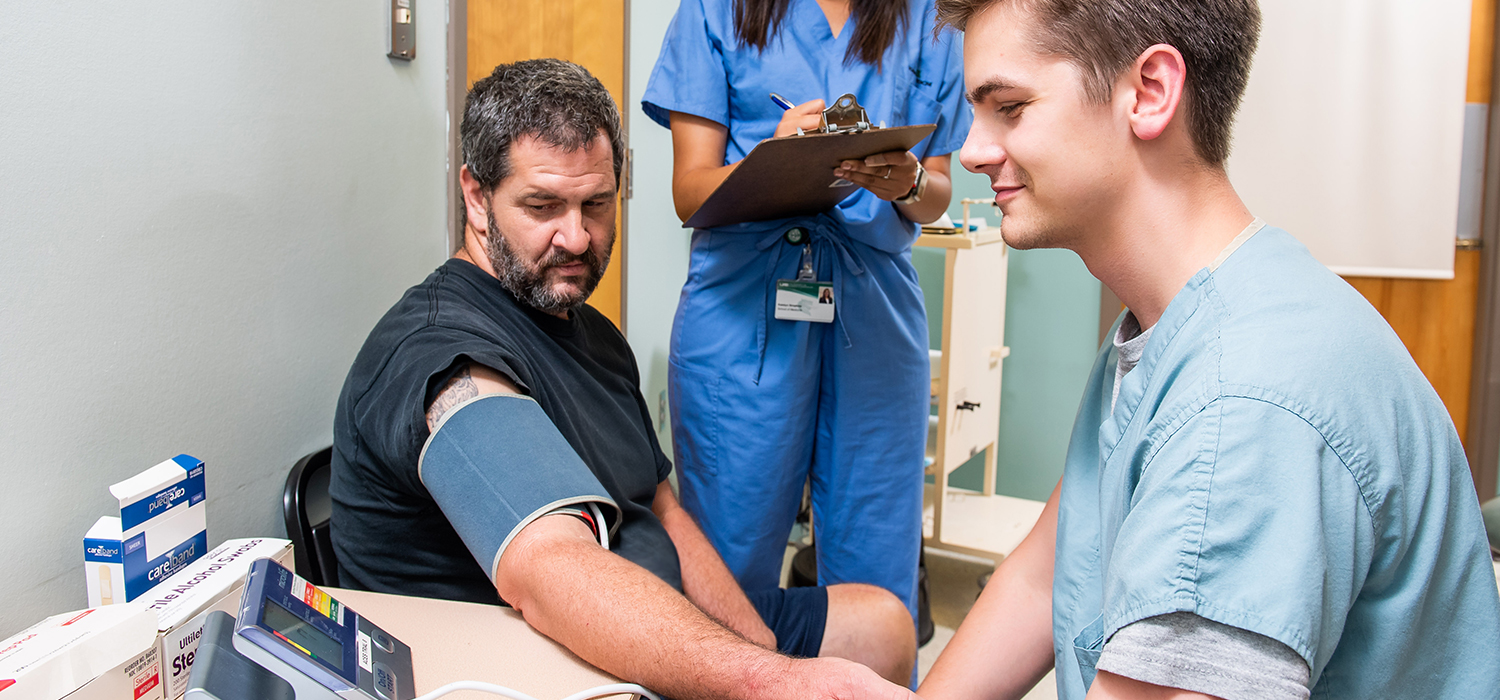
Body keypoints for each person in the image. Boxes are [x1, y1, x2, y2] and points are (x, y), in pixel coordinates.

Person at [916, 1, 1500, 698]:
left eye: (1008, 108)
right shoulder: (1173, 320)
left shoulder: (1246, 399)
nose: (974, 150)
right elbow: (1048, 575)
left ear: (1152, 91)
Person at [329, 58, 918, 700]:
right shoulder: (445, 355)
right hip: (539, 660)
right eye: (542, 206)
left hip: (653, 617)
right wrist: (765, 682)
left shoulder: (592, 334)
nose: (577, 238)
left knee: (883, 626)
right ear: (476, 197)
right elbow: (553, 569)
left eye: (596, 205)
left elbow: (662, 507)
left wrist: (762, 648)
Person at [640, 0, 971, 636]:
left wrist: (903, 181)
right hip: (741, 313)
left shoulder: (927, 18)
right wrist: (774, 160)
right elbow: (691, 189)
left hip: (874, 308)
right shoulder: (716, 11)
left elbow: (936, 192)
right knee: (728, 561)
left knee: (877, 562)